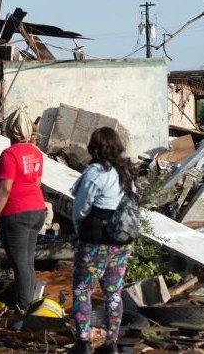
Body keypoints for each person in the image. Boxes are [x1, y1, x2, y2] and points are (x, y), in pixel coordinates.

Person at [68, 127, 135, 354]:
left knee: (82, 290)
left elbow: (81, 207)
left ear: (94, 147)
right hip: (121, 242)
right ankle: (111, 343)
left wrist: (79, 229)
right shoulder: (125, 172)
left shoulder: (96, 172)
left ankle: (84, 342)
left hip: (95, 241)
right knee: (114, 293)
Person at [0, 108, 46, 312]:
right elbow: (37, 183)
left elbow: (5, 188)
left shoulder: (9, 155)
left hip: (16, 214)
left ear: (10, 130)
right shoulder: (36, 153)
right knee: (28, 263)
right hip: (37, 210)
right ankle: (28, 306)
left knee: (20, 264)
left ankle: (22, 308)